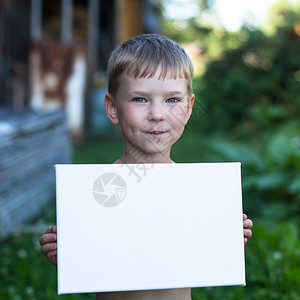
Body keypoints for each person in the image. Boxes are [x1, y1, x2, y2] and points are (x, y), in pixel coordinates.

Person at [39, 34, 253, 300]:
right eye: (140, 99)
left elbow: (201, 249)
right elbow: (94, 255)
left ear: (189, 108)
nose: (157, 114)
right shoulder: (101, 192)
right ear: (113, 107)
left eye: (172, 100)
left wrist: (225, 235)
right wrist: (69, 252)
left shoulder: (195, 193)